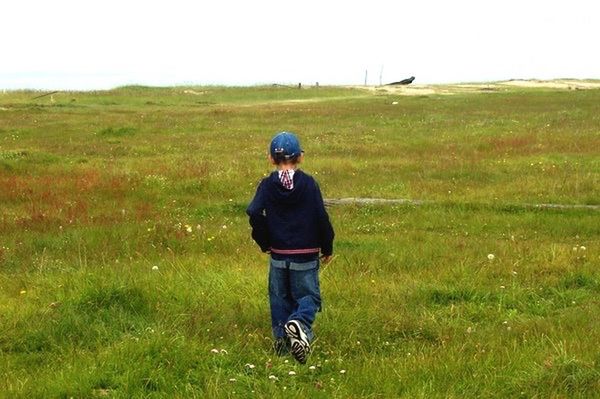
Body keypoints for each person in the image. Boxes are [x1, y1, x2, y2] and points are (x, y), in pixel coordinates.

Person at [247, 131, 335, 364]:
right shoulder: (308, 184)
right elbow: (320, 216)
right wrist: (327, 246)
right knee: (309, 297)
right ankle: (300, 323)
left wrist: (264, 240)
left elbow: (254, 212)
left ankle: (282, 345)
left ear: (270, 159)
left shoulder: (267, 185)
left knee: (280, 298)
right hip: (305, 255)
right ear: (301, 157)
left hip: (278, 254)